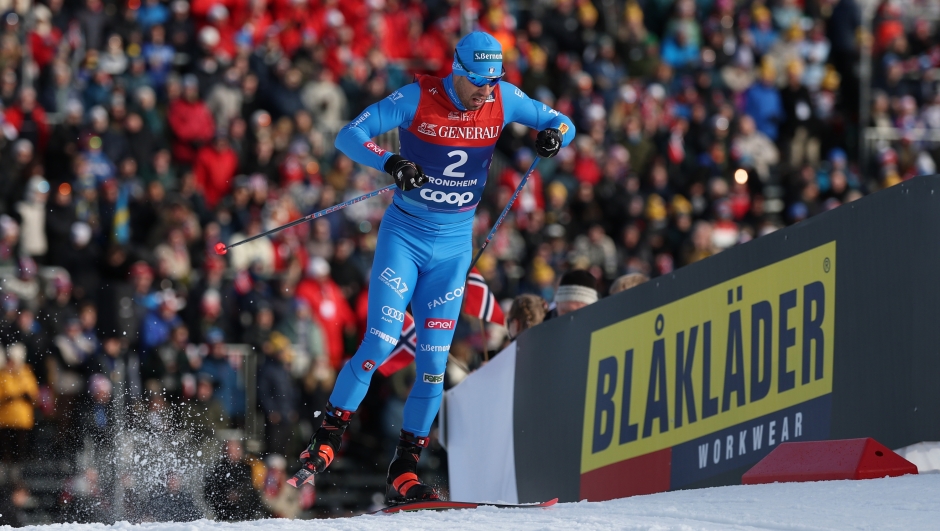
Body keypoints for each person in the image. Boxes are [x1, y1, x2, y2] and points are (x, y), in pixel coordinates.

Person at [293, 31, 575, 504]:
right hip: (405, 238)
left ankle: (405, 470)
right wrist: (391, 161)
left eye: (494, 81)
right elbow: (348, 136)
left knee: (433, 368)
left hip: (452, 250)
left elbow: (562, 121)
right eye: (481, 82)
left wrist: (553, 135)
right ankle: (327, 436)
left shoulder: (503, 98)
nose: (488, 90)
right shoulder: (417, 96)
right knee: (380, 342)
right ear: (459, 73)